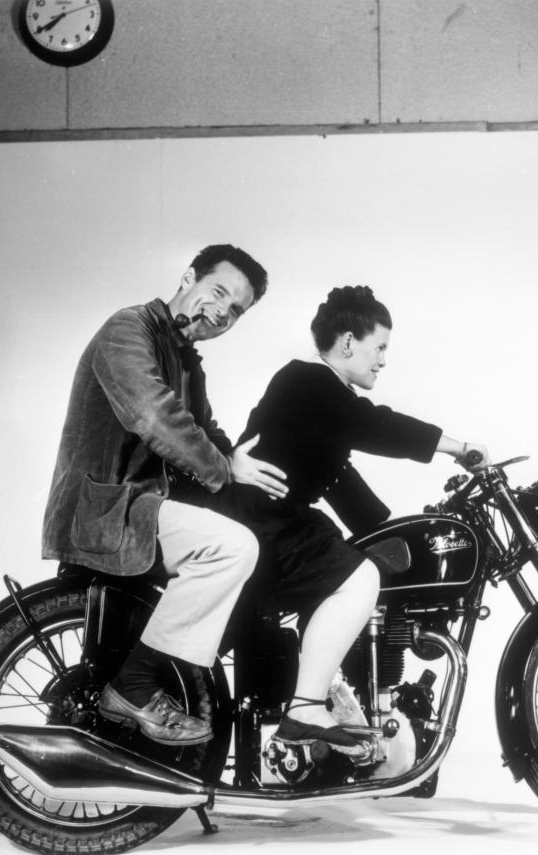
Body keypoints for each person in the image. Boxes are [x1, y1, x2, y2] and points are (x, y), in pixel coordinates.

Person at [41, 244, 288, 746]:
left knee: (257, 545)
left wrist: (243, 468)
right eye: (219, 293)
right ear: (188, 278)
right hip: (107, 511)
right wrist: (223, 468)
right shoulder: (127, 329)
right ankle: (133, 686)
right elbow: (152, 415)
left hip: (138, 511)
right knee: (231, 548)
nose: (222, 312)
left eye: (235, 310)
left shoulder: (184, 359)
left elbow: (203, 428)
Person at [233, 285, 486, 750]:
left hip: (275, 524)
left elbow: (338, 479)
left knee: (363, 565)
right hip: (262, 526)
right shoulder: (308, 381)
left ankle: (338, 703)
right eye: (380, 347)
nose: (383, 361)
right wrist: (458, 447)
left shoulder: (320, 397)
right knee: (358, 579)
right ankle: (305, 709)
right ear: (348, 343)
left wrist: (398, 529)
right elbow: (374, 425)